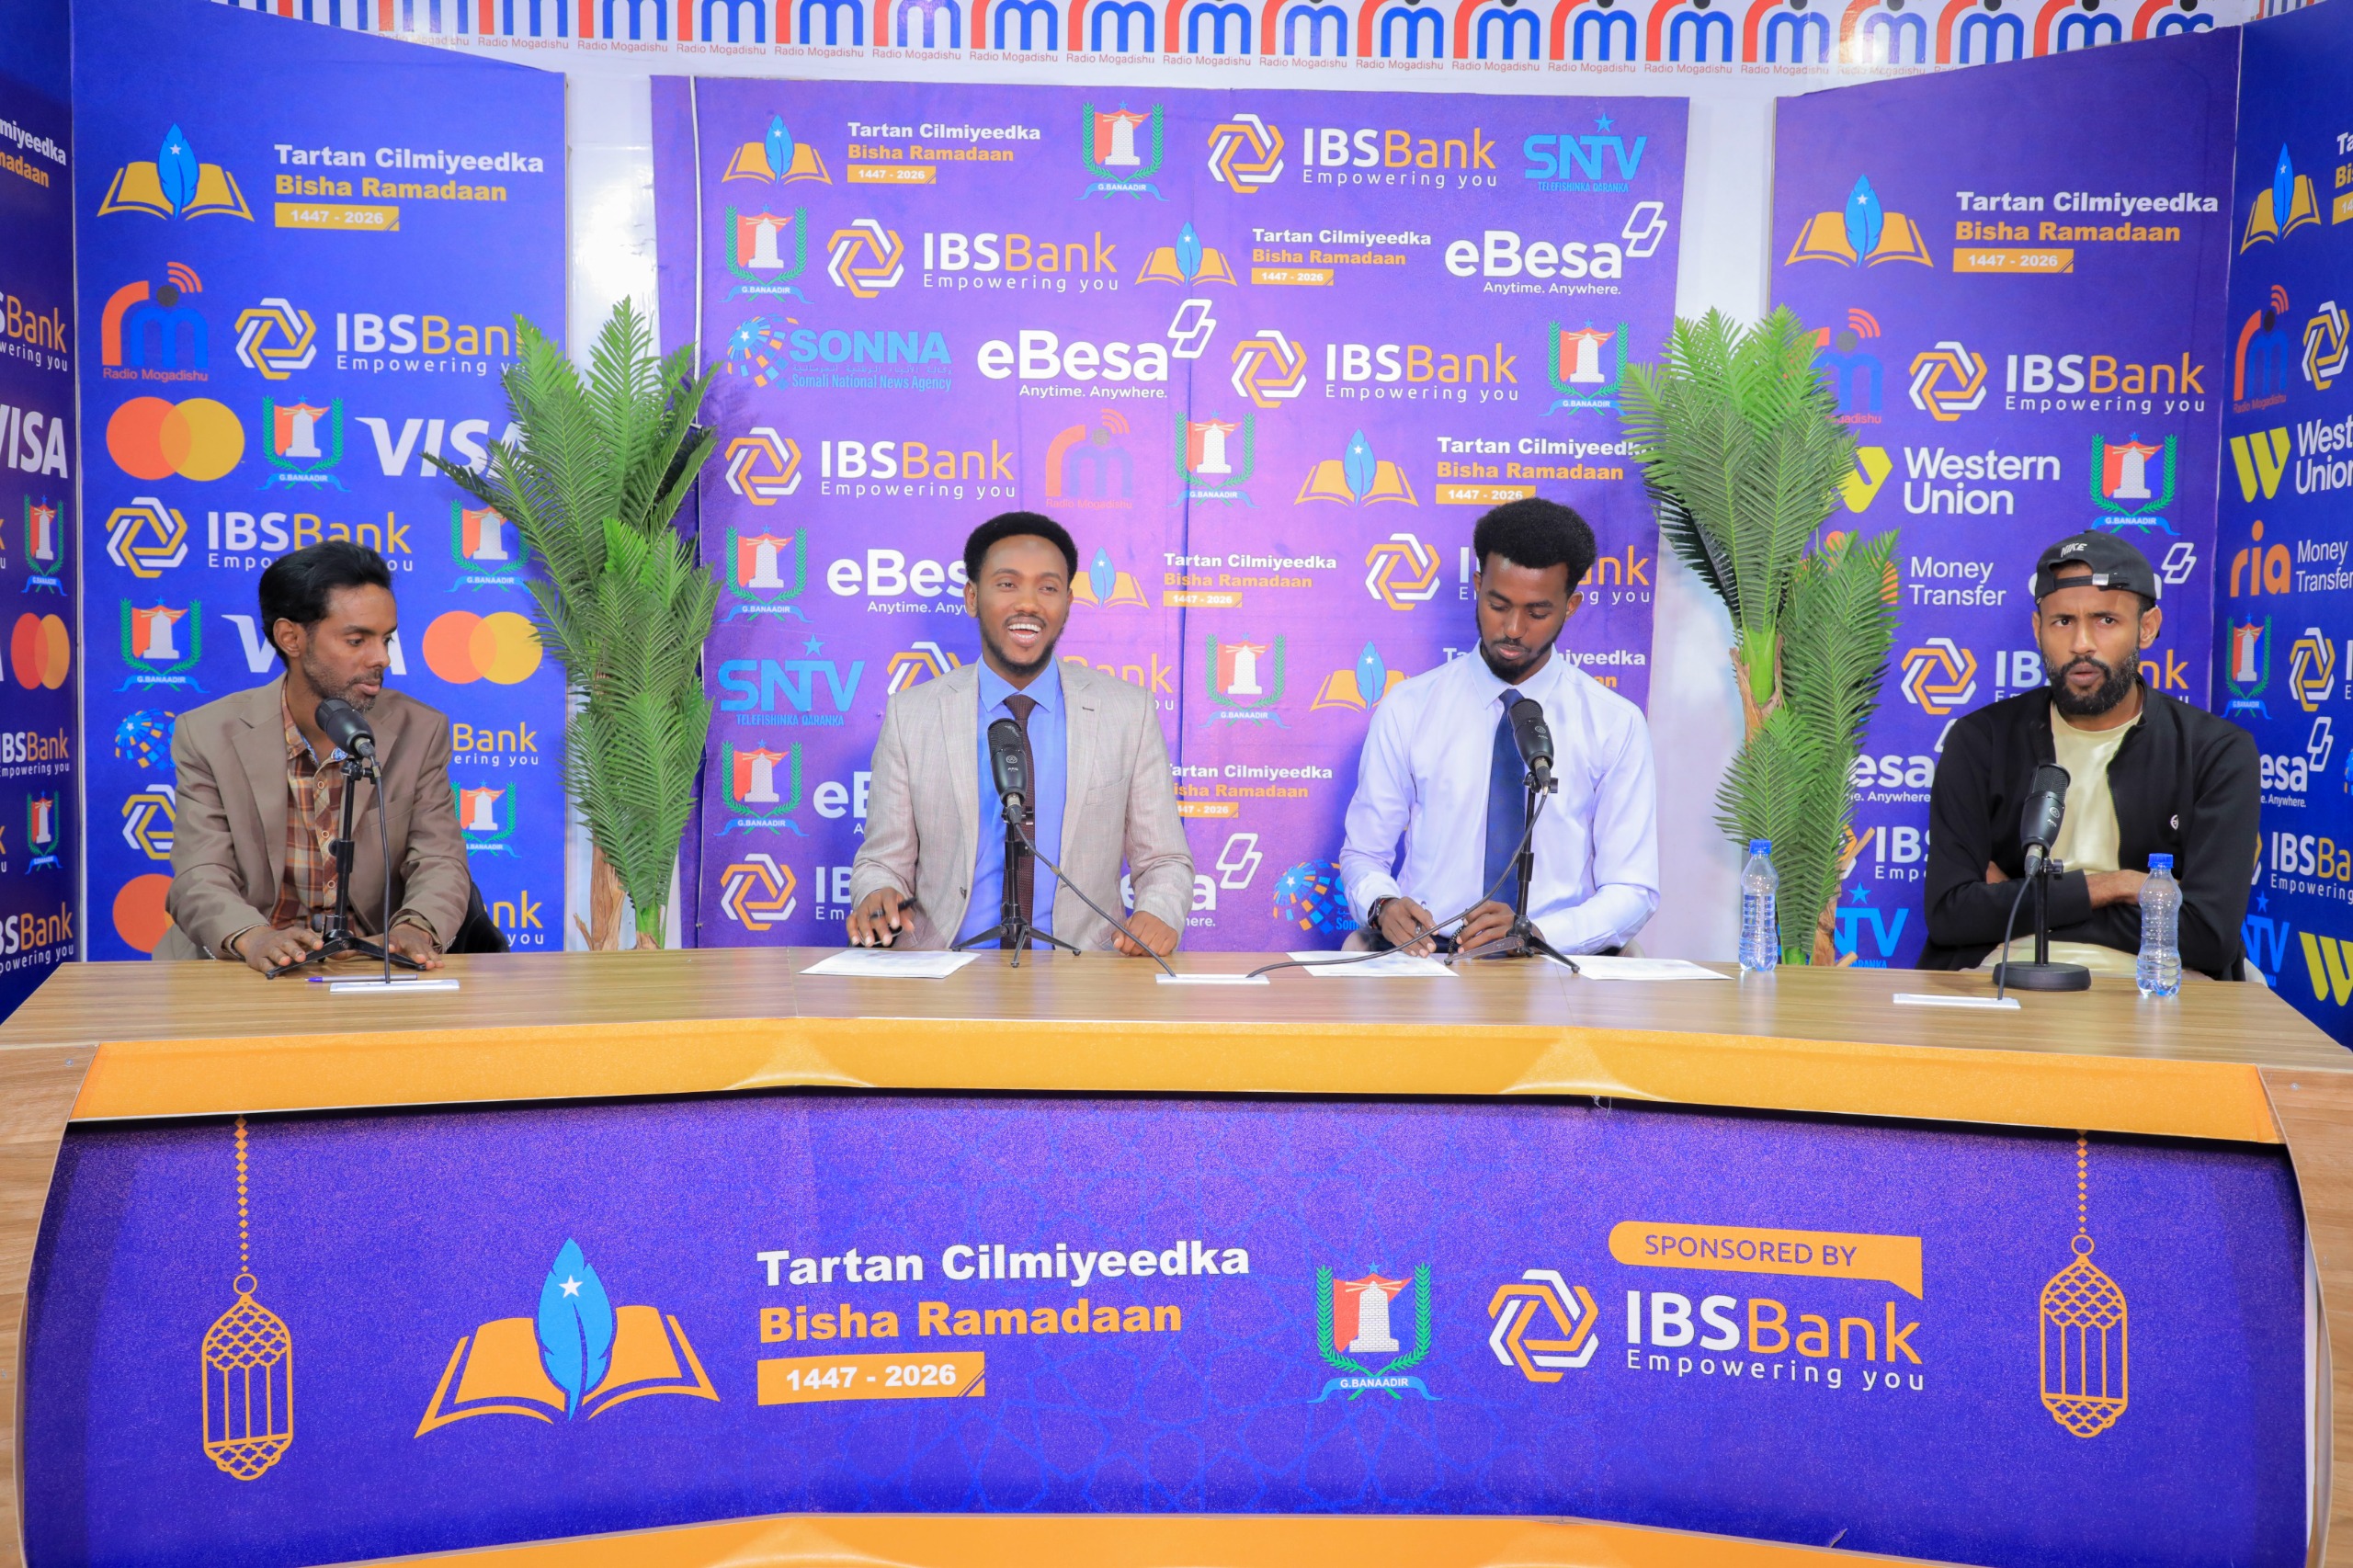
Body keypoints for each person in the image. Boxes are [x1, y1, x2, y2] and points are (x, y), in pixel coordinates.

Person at [847, 511, 1191, 955]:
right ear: (972, 597)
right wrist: (877, 892)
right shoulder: (911, 715)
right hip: (943, 969)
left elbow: (1164, 860)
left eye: (1047, 588)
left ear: (1068, 603)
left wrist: (1159, 911)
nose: (1028, 604)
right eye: (1007, 584)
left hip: (1083, 972)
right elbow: (881, 862)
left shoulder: (1128, 712)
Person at [1923, 531, 2258, 979]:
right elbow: (1951, 915)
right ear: (2038, 629)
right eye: (2063, 621)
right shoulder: (1981, 739)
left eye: (2105, 620)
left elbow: (2207, 936)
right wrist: (2118, 886)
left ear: (2147, 627)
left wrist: (2024, 899)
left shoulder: (2214, 751)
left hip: (2155, 984)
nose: (2082, 643)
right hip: (2001, 976)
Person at [1338, 496, 1659, 956]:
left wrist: (1540, 932)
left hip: (1554, 957)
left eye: (1537, 612)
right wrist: (1382, 904)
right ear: (1477, 586)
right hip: (1432, 956)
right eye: (1498, 604)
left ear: (1570, 606)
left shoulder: (1614, 723)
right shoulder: (1408, 708)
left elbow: (1632, 889)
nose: (1512, 628)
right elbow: (1364, 854)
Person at [158, 540, 467, 971]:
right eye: (357, 640)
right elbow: (199, 873)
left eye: (386, 639)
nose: (381, 658)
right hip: (245, 965)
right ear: (291, 638)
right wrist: (253, 938)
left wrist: (417, 928)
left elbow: (439, 859)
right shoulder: (208, 734)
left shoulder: (421, 730)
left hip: (369, 962)